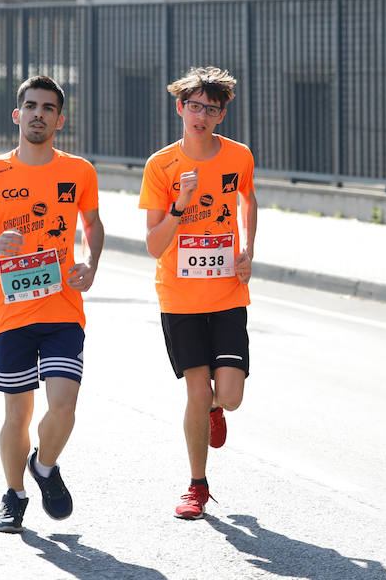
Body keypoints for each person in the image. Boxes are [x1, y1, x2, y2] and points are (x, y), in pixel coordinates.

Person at [0, 75, 104, 533]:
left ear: (59, 120)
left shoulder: (79, 171)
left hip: (64, 307)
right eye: (30, 106)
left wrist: (91, 262)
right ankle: (14, 495)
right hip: (11, 313)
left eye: (47, 108)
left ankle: (43, 466)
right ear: (17, 114)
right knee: (17, 413)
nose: (38, 114)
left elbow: (93, 224)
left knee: (64, 404)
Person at [139, 66, 257, 520]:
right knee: (194, 391)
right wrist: (180, 205)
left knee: (230, 395)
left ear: (222, 115)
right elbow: (153, 244)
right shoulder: (161, 165)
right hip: (180, 296)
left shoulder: (239, 157)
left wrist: (247, 248)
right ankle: (197, 485)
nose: (201, 116)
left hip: (228, 291)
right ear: (180, 108)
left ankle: (215, 407)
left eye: (211, 109)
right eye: (194, 107)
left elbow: (249, 200)